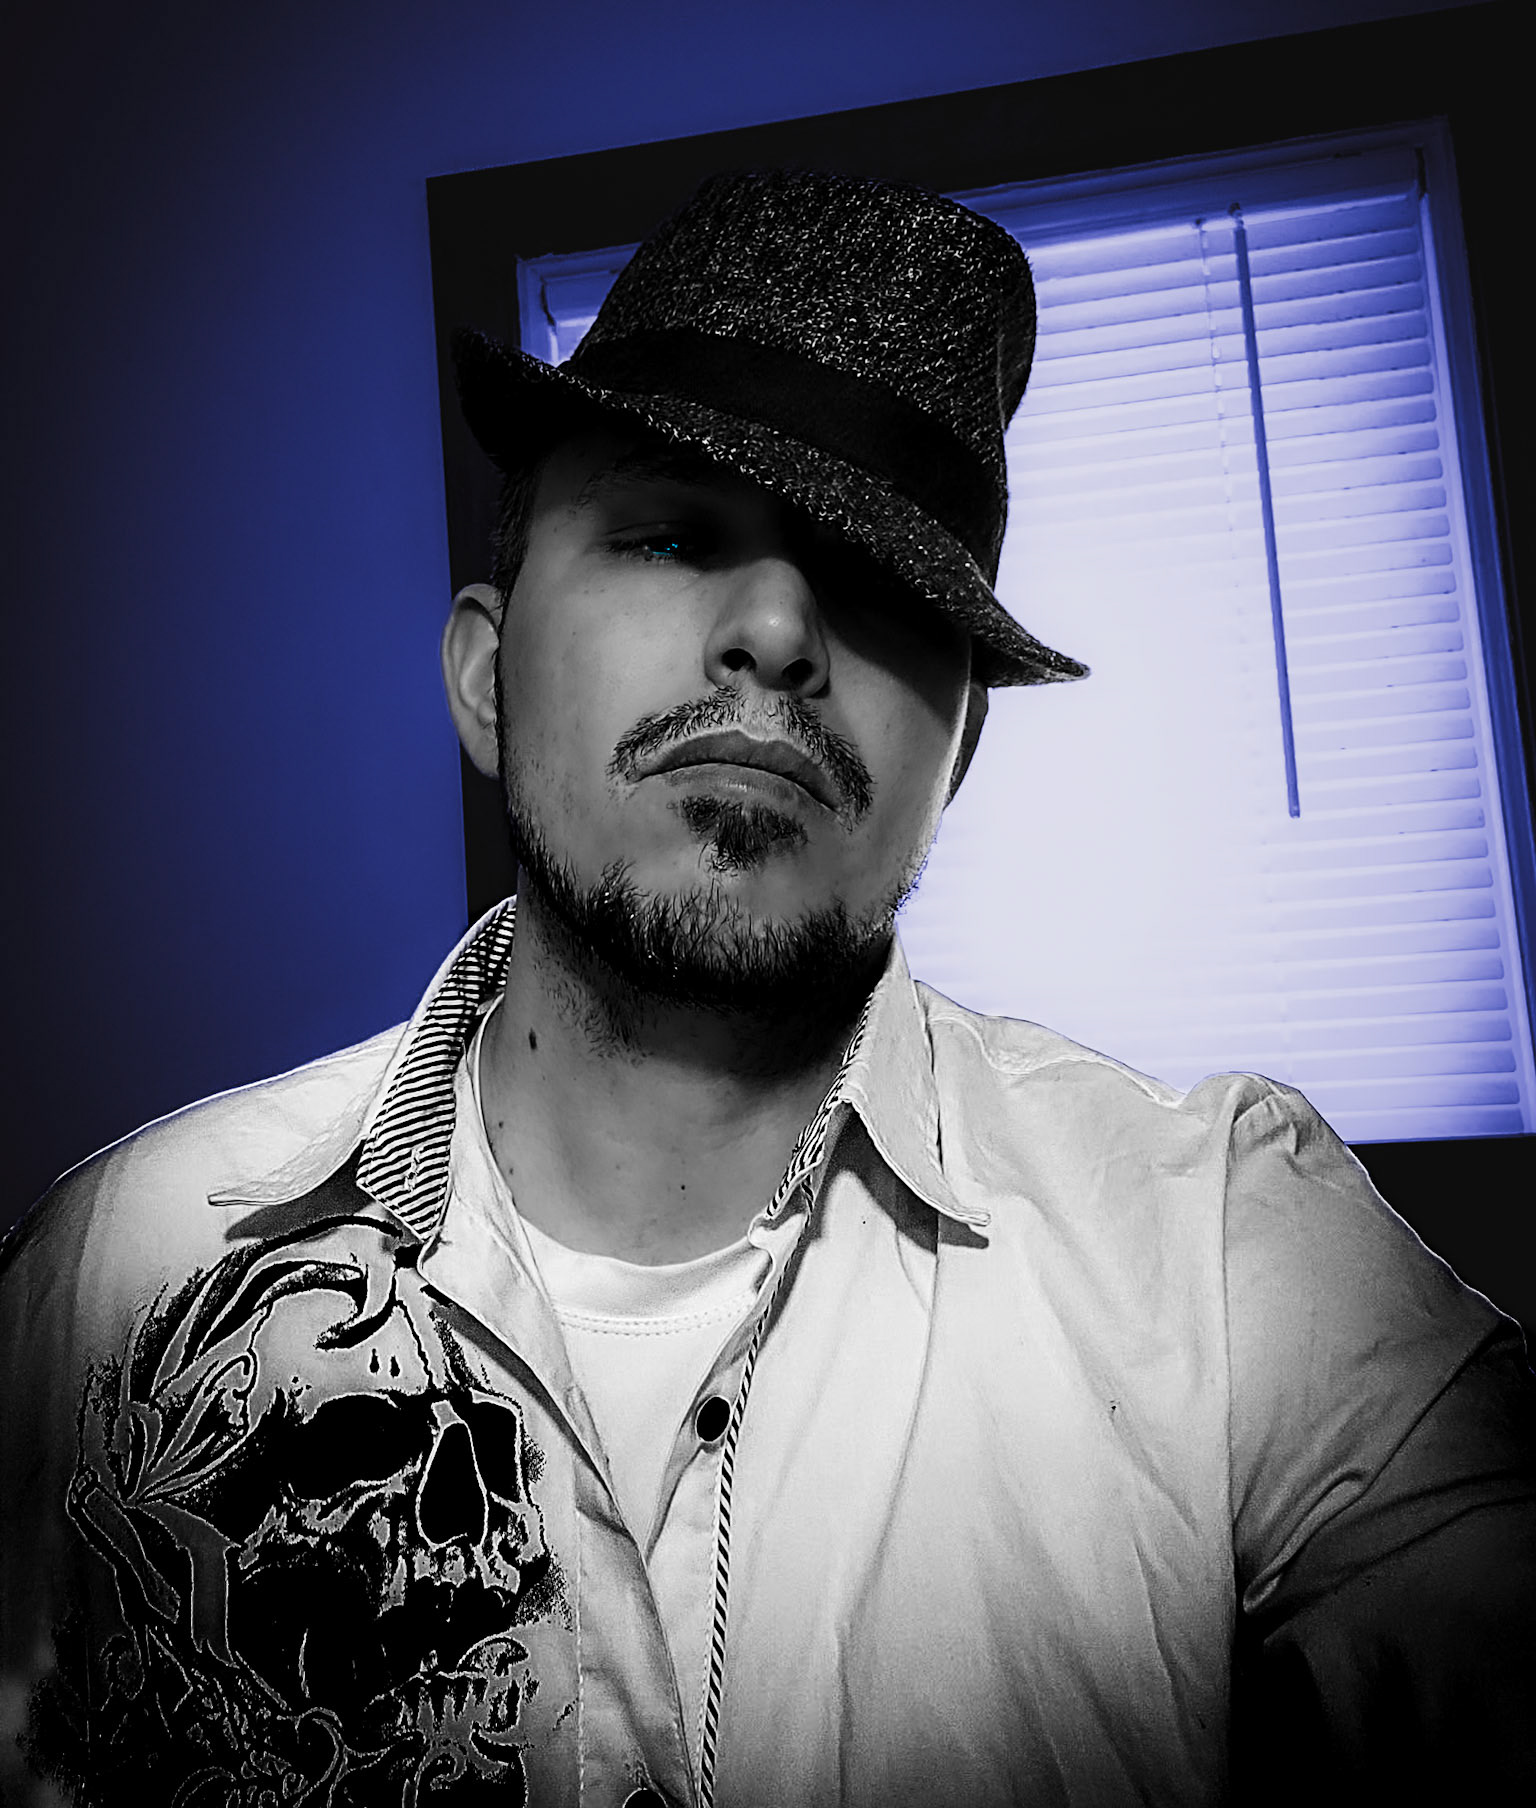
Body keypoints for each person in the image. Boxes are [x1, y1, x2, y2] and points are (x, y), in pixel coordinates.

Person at [1, 169, 1531, 1808]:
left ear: (957, 755)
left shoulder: (1229, 1260)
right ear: (487, 678)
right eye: (671, 533)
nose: (782, 629)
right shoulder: (115, 1274)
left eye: (878, 584)